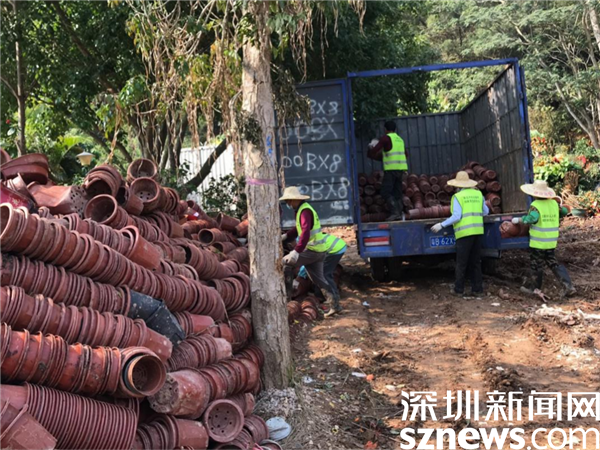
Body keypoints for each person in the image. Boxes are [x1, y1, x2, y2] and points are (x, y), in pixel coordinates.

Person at [280, 186, 341, 317]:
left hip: (312, 250)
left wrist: (296, 251)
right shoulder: (302, 210)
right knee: (319, 280)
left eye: (289, 201)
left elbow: (305, 233)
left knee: (286, 263)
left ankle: (286, 299)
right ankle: (335, 305)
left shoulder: (305, 211)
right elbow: (298, 229)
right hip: (318, 251)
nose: (288, 204)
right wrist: (286, 236)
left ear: (295, 199)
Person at [511, 180, 575, 298]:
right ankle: (568, 286)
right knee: (553, 263)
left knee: (536, 264)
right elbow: (564, 211)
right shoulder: (554, 204)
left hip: (539, 242)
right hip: (551, 241)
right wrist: (563, 208)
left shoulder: (536, 205)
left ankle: (533, 288)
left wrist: (519, 220)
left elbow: (532, 219)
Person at [431, 171, 489, 298]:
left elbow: (457, 216)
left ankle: (459, 290)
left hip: (464, 233)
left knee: (461, 263)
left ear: (458, 185)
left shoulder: (458, 197)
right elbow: (486, 211)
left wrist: (441, 225)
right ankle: (477, 289)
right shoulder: (478, 194)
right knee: (476, 262)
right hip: (478, 232)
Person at [367, 121, 408, 221]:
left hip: (391, 170)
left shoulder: (386, 138)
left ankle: (395, 212)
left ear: (385, 129)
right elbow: (406, 154)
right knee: (397, 192)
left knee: (385, 192)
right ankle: (400, 213)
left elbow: (374, 151)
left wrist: (370, 147)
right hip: (400, 170)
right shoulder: (400, 139)